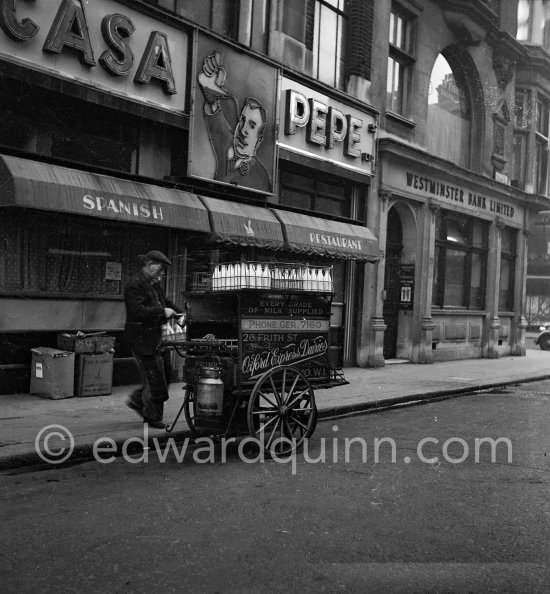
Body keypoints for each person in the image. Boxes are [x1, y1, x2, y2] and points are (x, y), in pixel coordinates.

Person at [197, 51, 273, 193]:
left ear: (259, 140)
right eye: (242, 120)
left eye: (252, 126)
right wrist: (212, 92)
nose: (243, 130)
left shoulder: (261, 176)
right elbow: (216, 122)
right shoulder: (227, 145)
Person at [124, 250, 183, 429]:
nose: (162, 274)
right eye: (161, 269)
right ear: (150, 265)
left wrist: (179, 314)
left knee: (164, 373)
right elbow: (137, 311)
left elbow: (165, 302)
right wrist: (161, 312)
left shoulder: (153, 283)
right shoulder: (134, 285)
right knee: (155, 379)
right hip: (142, 340)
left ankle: (137, 400)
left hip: (155, 338)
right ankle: (152, 417)